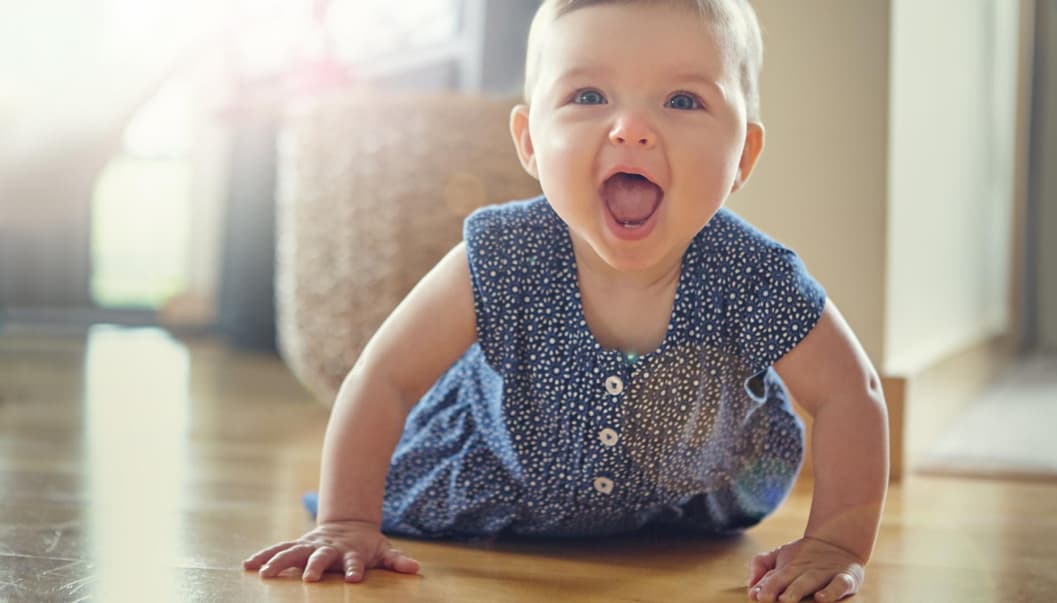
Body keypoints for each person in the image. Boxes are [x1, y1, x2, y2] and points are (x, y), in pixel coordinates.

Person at [243, 1, 889, 601]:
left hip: (694, 496)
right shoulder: (501, 255)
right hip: (499, 475)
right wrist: (346, 519)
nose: (631, 129)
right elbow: (382, 376)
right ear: (528, 140)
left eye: (683, 100)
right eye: (588, 96)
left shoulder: (754, 276)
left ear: (743, 152)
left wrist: (836, 542)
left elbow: (850, 390)